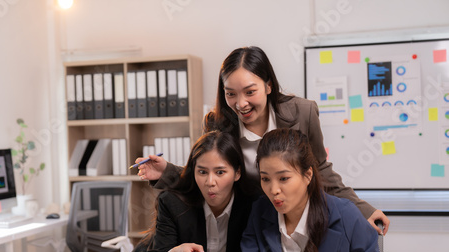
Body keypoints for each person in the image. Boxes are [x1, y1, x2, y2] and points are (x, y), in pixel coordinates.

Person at [136, 46, 390, 235]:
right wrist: (165, 171)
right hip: (250, 224)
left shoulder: (303, 112)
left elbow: (320, 169)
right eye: (230, 94)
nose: (240, 103)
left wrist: (362, 208)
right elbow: (210, 174)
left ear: (268, 86)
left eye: (250, 92)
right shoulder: (217, 123)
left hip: (299, 218)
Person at [240, 128, 390, 252]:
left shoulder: (347, 216)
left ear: (308, 175)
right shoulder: (260, 211)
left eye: (283, 178)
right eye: (265, 179)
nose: (273, 190)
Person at [113, 130, 253, 252]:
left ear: (237, 173)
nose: (210, 182)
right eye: (202, 172)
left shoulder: (252, 207)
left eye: (220, 172)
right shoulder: (172, 203)